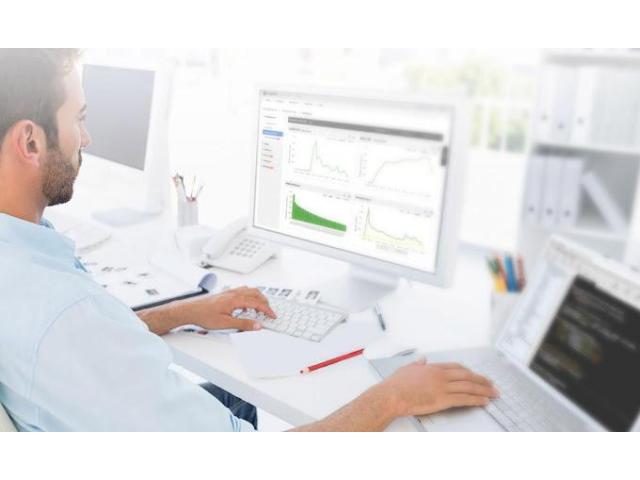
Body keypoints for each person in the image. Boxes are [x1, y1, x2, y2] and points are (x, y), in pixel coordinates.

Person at [0, 49, 498, 432]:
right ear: (31, 141)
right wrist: (393, 396)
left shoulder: (24, 260)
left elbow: (90, 341)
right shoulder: (66, 317)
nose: (86, 138)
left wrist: (184, 312)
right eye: (79, 119)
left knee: (234, 395)